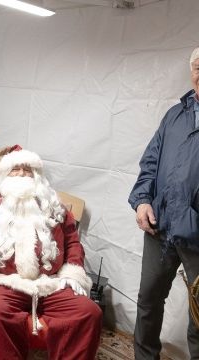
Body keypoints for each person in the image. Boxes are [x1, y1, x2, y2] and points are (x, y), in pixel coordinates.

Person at [0, 149, 102, 360]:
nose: (23, 174)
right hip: (2, 283)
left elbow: (72, 241)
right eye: (16, 169)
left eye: (28, 170)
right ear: (4, 175)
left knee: (89, 312)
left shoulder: (52, 204)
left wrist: (72, 274)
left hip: (50, 283)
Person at [128, 47, 199, 359]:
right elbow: (151, 162)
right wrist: (143, 200)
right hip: (161, 227)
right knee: (149, 301)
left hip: (197, 235)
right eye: (197, 67)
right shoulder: (175, 115)